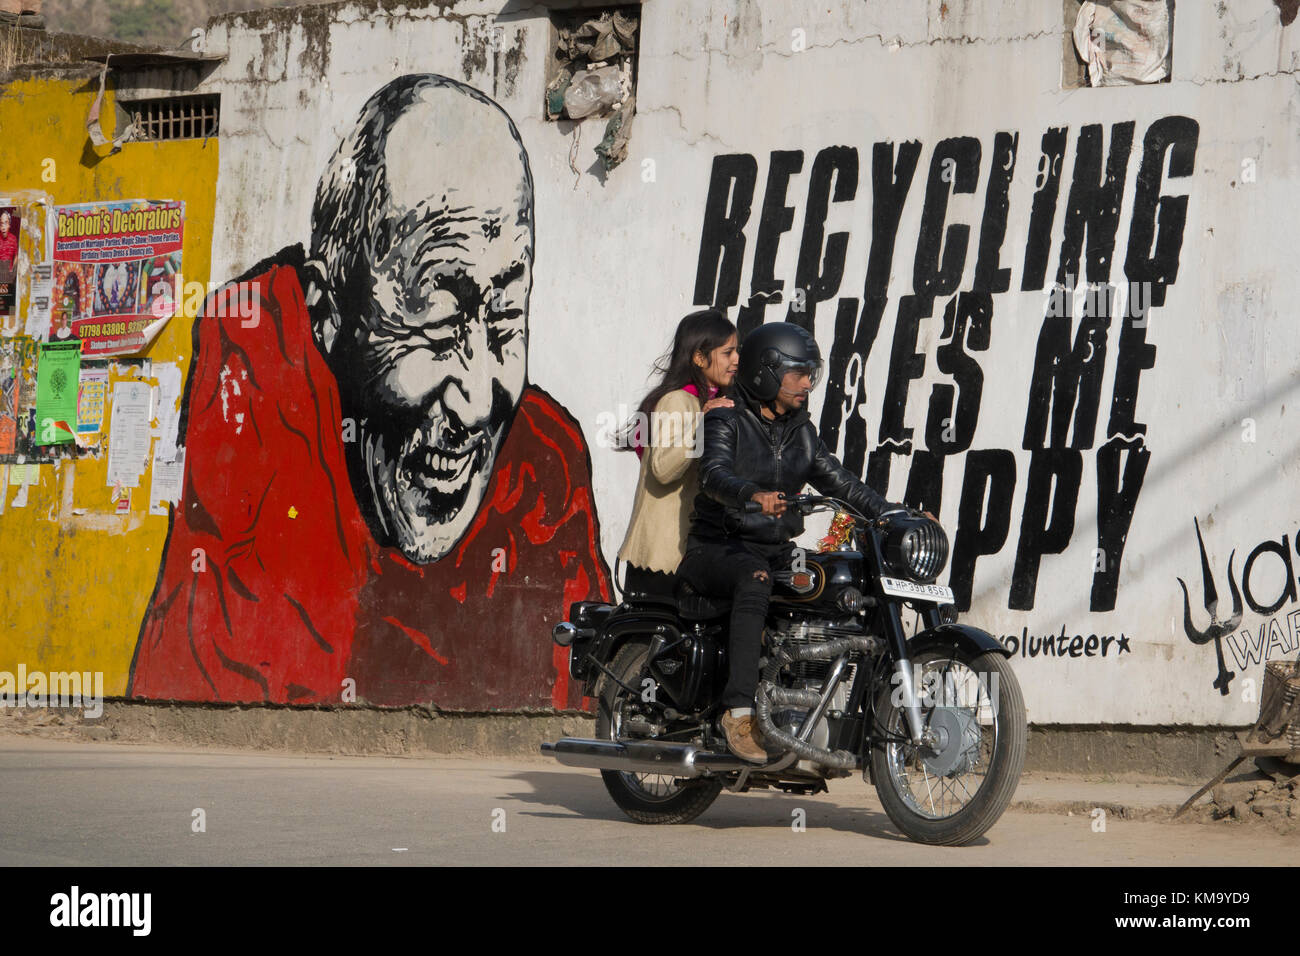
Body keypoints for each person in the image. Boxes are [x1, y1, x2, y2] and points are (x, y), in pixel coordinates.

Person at [130, 75, 610, 710]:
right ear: (328, 316)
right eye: (436, 321)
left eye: (504, 319)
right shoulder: (257, 410)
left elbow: (584, 703)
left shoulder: (543, 468)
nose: (476, 399)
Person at [677, 321, 904, 762]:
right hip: (718, 546)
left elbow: (841, 483)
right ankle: (738, 714)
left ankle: (806, 700)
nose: (806, 384)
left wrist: (893, 513)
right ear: (767, 372)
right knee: (755, 577)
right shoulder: (725, 418)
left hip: (776, 549)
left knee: (836, 580)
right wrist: (751, 494)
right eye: (797, 374)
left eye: (810, 374)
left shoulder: (801, 430)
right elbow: (713, 475)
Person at [616, 309, 737, 598]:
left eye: (736, 351)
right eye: (727, 352)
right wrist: (701, 425)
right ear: (699, 358)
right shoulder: (677, 401)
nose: (736, 359)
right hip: (663, 557)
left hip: (692, 552)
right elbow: (663, 469)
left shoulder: (712, 402)